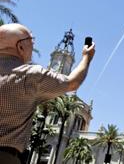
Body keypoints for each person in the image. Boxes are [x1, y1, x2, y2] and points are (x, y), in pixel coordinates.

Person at [0, 23, 95, 164]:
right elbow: (72, 82)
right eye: (31, 43)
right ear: (20, 47)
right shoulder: (31, 75)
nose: (33, 48)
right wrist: (87, 57)